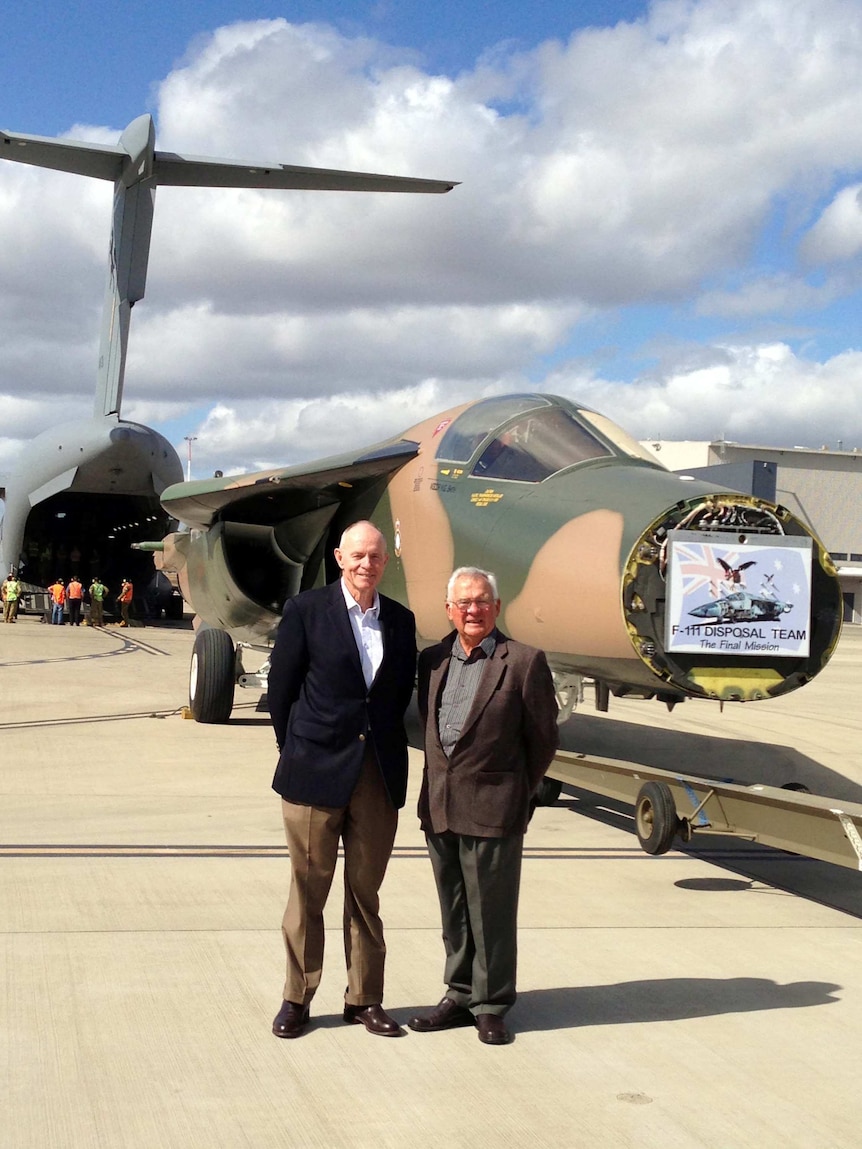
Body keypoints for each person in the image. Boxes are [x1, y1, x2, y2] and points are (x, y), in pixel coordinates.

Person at [268, 521, 417, 1040]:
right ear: (338, 557)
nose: (366, 565)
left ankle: (365, 999)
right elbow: (281, 689)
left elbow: (394, 701)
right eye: (357, 555)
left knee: (364, 893)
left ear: (384, 562)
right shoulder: (307, 611)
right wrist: (298, 749)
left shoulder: (400, 621)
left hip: (376, 775)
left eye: (375, 557)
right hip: (314, 772)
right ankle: (297, 997)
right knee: (308, 892)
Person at [408, 566, 558, 1046]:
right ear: (449, 611)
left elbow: (542, 741)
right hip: (440, 806)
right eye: (463, 603)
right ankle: (459, 992)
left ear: (496, 606)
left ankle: (491, 1004)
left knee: (490, 911)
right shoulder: (431, 660)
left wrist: (516, 790)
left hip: (495, 807)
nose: (472, 610)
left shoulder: (524, 661)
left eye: (481, 601)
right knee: (453, 910)